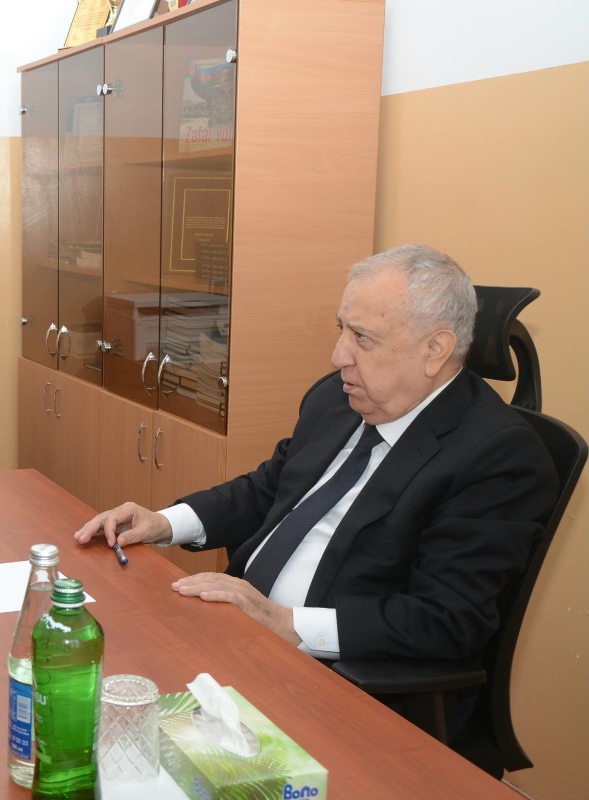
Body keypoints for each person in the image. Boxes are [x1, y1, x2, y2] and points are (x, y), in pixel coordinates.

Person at [74, 244, 557, 768]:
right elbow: (269, 489)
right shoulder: (337, 397)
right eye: (341, 329)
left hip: (342, 691)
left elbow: (445, 618)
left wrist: (286, 622)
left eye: (362, 338)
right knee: (92, 697)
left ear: (435, 349)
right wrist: (165, 522)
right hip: (238, 643)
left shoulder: (498, 455)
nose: (338, 355)